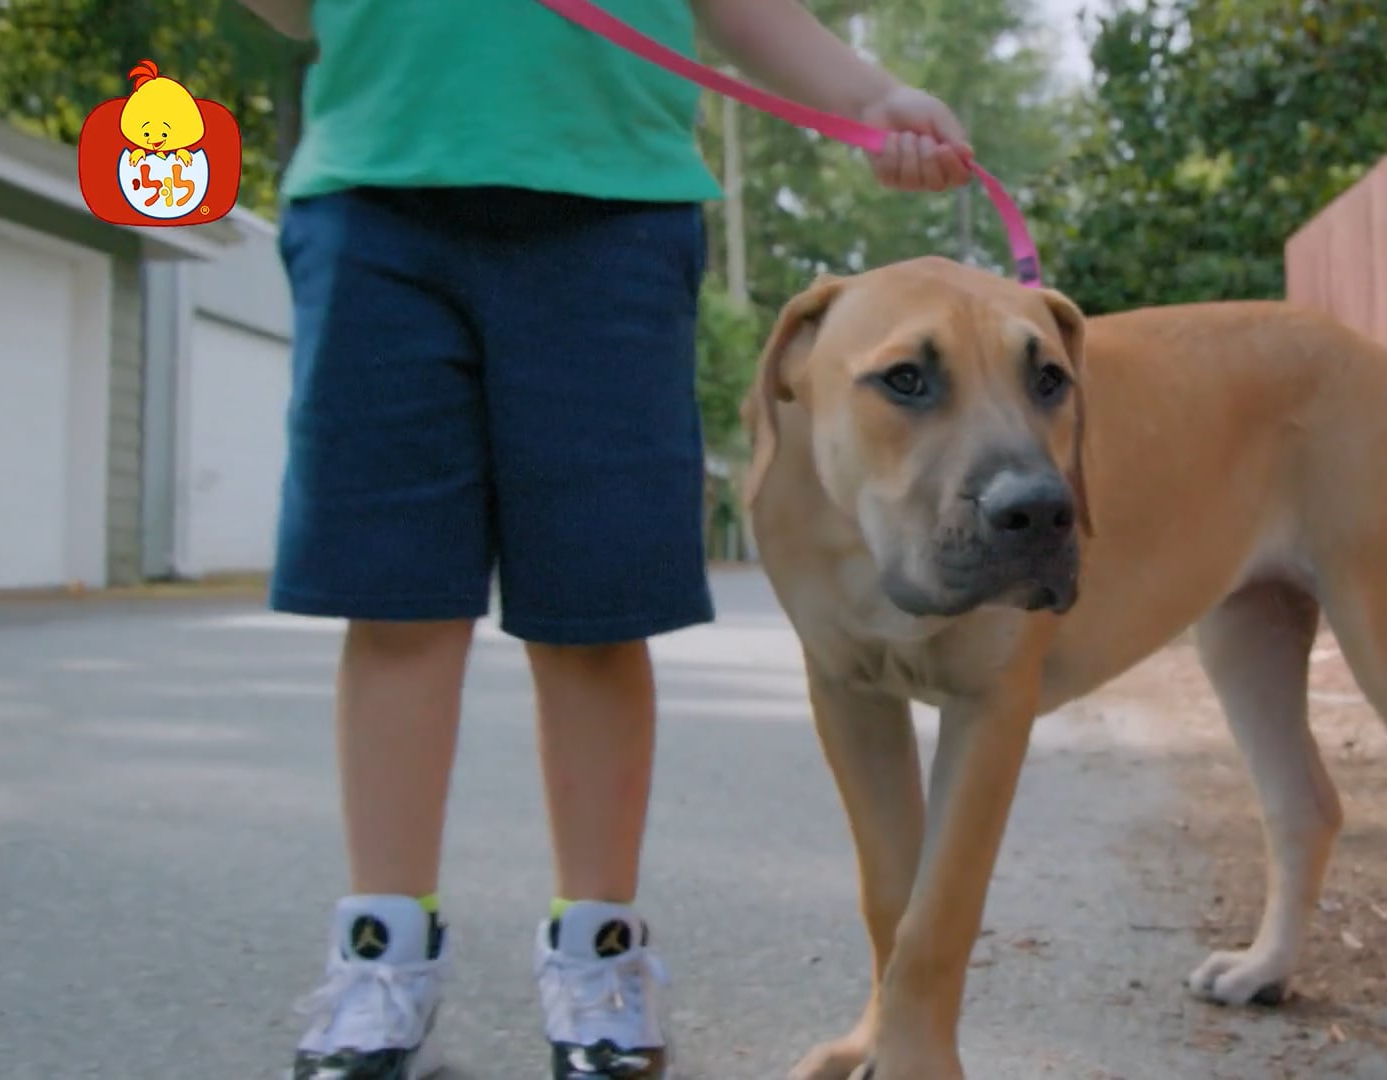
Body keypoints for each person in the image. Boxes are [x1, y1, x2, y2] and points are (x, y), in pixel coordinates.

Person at [232, 2, 973, 1078]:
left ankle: (597, 952)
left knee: (593, 615)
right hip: (375, 203)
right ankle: (380, 956)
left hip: (611, 218)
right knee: (395, 604)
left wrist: (872, 100)